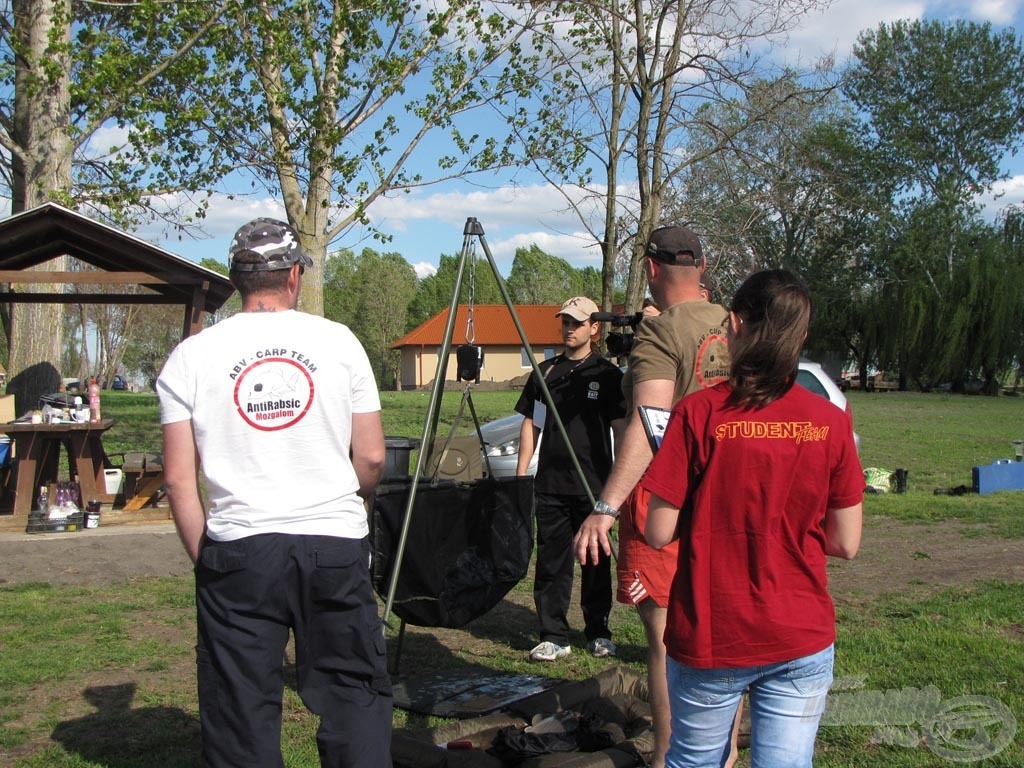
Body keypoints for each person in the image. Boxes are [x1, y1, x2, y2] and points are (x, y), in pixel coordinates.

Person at [156, 218, 392, 768]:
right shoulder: (338, 341)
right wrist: (345, 503)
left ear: (238, 279)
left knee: (240, 707)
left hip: (239, 546)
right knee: (353, 694)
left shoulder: (191, 356)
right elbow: (374, 456)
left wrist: (207, 556)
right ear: (294, 276)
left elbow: (176, 477)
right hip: (333, 540)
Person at [643, 269, 863, 768]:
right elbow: (846, 541)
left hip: (714, 632)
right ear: (800, 337)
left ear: (735, 325)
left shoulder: (698, 413)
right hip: (801, 634)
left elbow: (658, 531)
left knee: (694, 760)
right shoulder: (831, 420)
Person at [574, 225, 730, 768]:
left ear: (652, 269)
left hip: (668, 500)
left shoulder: (660, 335)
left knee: (666, 642)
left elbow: (648, 424)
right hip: (729, 501)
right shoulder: (737, 325)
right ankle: (724, 753)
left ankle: (668, 757)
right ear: (703, 267)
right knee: (720, 636)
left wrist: (605, 505)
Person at [515, 296, 626, 662]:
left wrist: (621, 485)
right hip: (551, 485)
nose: (569, 329)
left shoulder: (607, 376)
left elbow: (622, 430)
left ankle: (598, 631)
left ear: (595, 328)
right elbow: (531, 423)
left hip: (594, 486)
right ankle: (553, 634)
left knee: (595, 561)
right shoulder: (545, 373)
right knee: (551, 562)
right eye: (565, 322)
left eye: (577, 323)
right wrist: (521, 473)